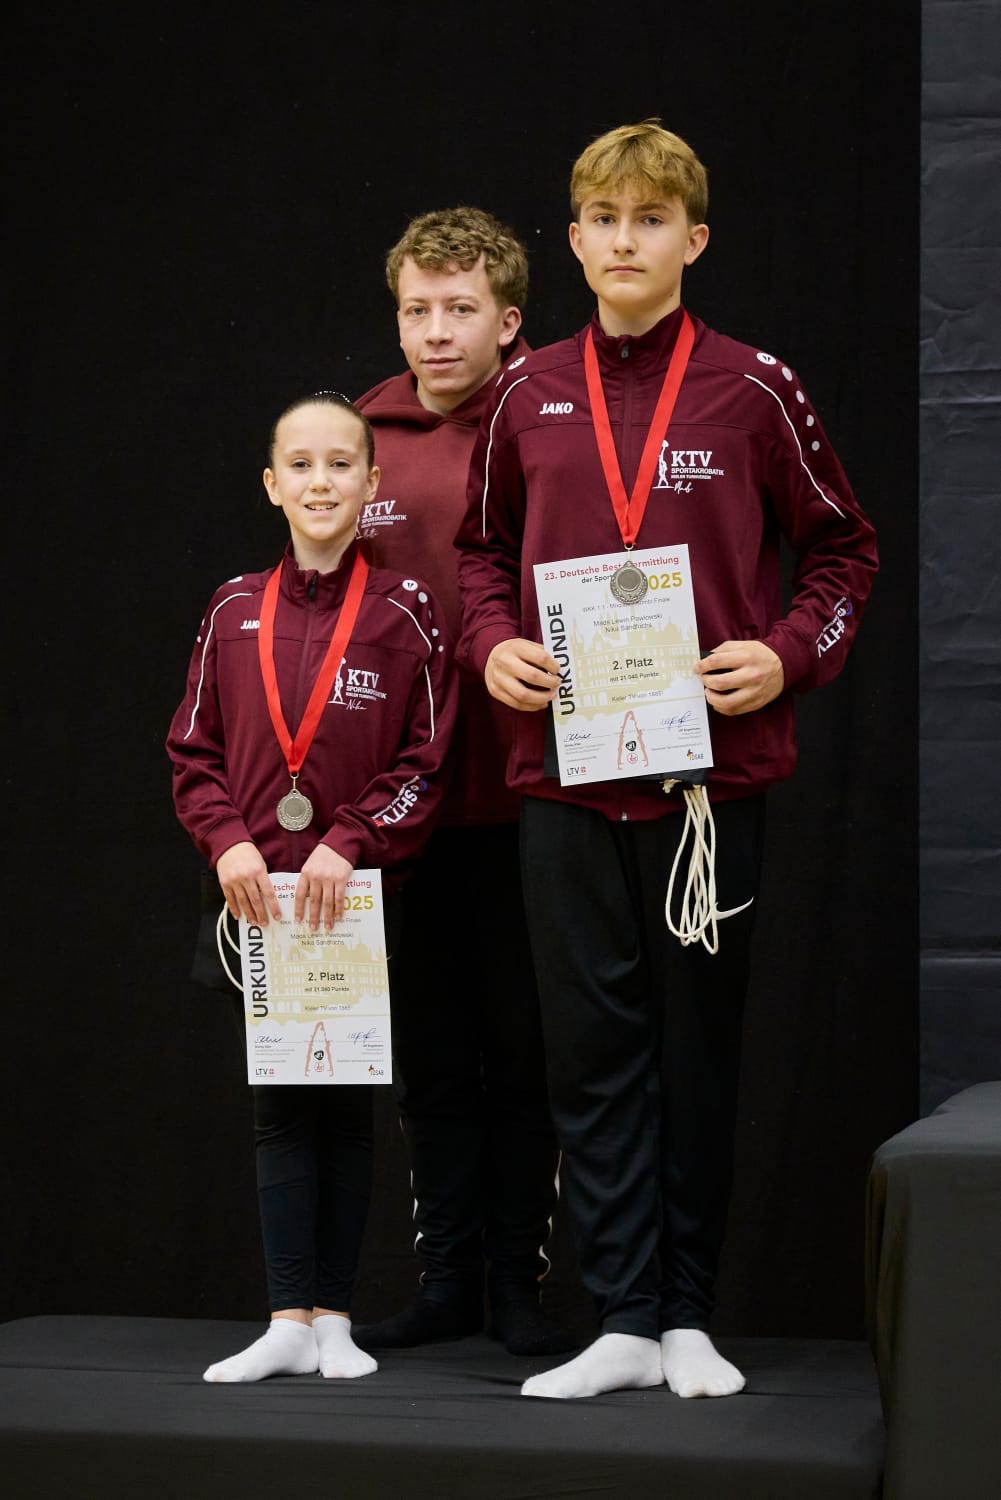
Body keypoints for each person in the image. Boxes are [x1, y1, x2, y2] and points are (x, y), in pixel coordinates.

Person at [454, 121, 878, 1400]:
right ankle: (622, 1317)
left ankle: (687, 1314)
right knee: (590, 1051)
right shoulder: (523, 396)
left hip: (709, 785)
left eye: (650, 220)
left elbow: (845, 553)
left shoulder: (753, 389)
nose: (623, 240)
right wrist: (488, 648)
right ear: (572, 238)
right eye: (602, 218)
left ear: (691, 240)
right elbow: (479, 556)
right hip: (566, 778)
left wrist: (788, 656)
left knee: (695, 1050)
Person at [167, 392, 457, 1383]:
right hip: (259, 901)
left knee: (348, 1103)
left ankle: (333, 1316)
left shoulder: (404, 613)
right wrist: (226, 844)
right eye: (301, 464)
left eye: (341, 465)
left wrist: (350, 837)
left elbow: (426, 760)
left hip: (355, 900)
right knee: (281, 1107)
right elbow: (192, 752)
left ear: (372, 486)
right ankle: (287, 1315)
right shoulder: (231, 607)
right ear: (271, 483)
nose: (321, 481)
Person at [351, 208, 573, 1357]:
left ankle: (516, 1288)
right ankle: (444, 1284)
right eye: (416, 311)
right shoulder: (360, 436)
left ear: (509, 319)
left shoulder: (551, 422)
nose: (436, 334)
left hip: (532, 789)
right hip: (402, 805)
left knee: (524, 1048)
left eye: (460, 310)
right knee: (432, 1053)